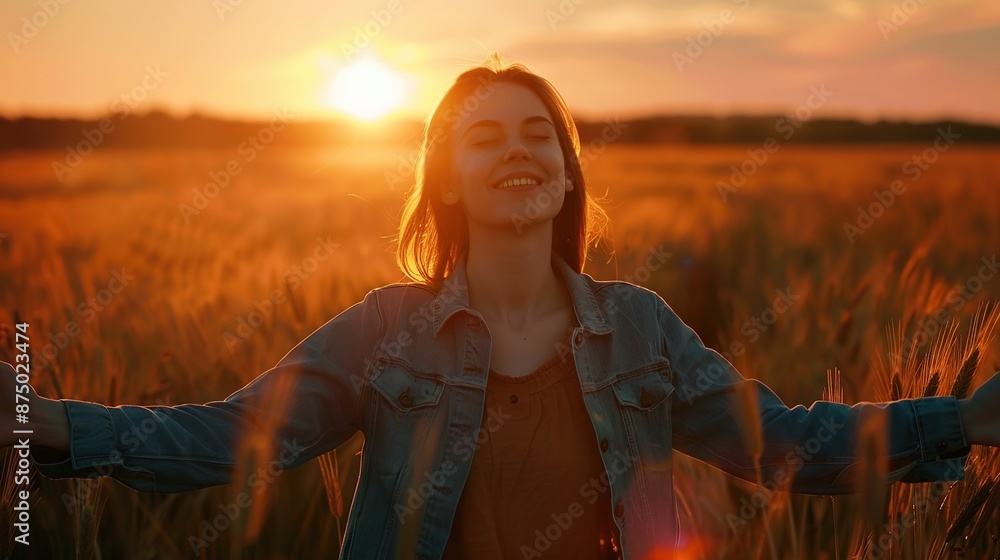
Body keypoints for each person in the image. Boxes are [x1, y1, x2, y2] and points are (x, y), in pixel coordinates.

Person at [3, 54, 1000, 560]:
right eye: (484, 137)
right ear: (444, 181)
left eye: (540, 134)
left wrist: (962, 416)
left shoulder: (641, 325)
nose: (518, 149)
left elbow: (782, 443)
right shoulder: (383, 330)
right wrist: (35, 420)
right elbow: (232, 438)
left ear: (568, 176)